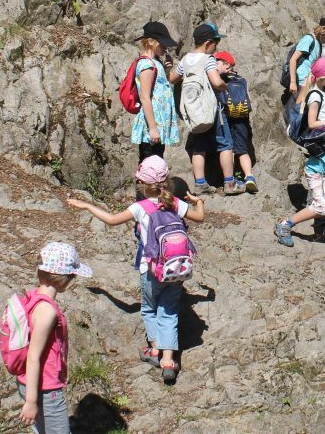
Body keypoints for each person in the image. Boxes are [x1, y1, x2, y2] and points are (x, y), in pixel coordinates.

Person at [67, 156, 205, 381]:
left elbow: (111, 220)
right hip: (176, 268)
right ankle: (169, 361)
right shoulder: (175, 202)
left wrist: (86, 205)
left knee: (150, 309)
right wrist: (197, 201)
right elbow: (199, 217)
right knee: (168, 312)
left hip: (151, 269)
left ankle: (155, 350)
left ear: (142, 184)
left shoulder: (139, 208)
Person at [17, 242, 93, 433]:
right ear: (63, 278)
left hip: (30, 383)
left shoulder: (33, 297)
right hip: (45, 389)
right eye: (72, 276)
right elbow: (34, 357)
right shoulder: (47, 312)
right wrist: (32, 402)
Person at [168, 22, 240, 195]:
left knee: (199, 146)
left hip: (195, 112)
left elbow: (173, 78)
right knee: (225, 144)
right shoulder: (208, 60)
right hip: (212, 110)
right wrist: (225, 86)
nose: (216, 47)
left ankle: (200, 183)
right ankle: (230, 183)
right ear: (208, 43)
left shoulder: (185, 59)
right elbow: (216, 81)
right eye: (216, 43)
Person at [130, 21, 180, 161]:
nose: (165, 47)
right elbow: (145, 97)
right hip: (151, 127)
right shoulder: (146, 64)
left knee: (156, 162)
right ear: (151, 41)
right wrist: (153, 128)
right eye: (162, 44)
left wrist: (167, 67)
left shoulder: (156, 62)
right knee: (149, 164)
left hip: (158, 125)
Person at [214, 50, 258, 194]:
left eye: (216, 62)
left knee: (227, 149)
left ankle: (230, 177)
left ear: (226, 64)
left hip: (226, 118)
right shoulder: (241, 80)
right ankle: (249, 176)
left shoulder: (220, 79)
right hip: (242, 120)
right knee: (242, 150)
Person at [285, 16, 325, 98]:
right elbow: (293, 59)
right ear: (323, 29)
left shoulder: (318, 45)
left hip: (308, 84)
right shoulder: (309, 39)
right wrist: (293, 82)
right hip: (299, 82)